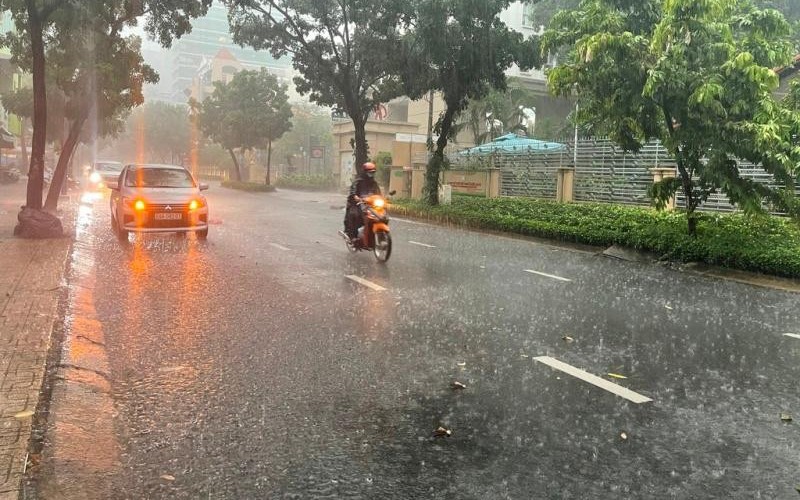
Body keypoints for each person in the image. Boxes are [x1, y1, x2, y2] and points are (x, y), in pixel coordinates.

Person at [344, 161, 382, 241]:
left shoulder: (374, 183)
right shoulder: (358, 181)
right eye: (369, 172)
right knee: (356, 215)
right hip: (357, 204)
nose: (371, 174)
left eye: (373, 172)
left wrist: (382, 198)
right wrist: (355, 196)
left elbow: (378, 193)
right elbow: (353, 191)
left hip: (370, 205)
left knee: (381, 216)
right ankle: (353, 236)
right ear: (365, 172)